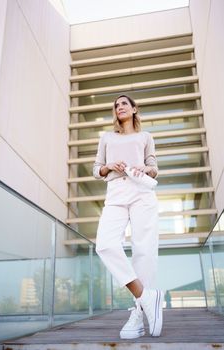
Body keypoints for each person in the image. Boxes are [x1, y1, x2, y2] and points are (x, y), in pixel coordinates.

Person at [93, 94, 164, 339]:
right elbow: (96, 169)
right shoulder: (107, 137)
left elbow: (154, 166)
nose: (119, 107)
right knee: (105, 244)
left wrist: (146, 168)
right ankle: (146, 297)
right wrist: (109, 166)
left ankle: (138, 314)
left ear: (134, 108)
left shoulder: (145, 137)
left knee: (143, 250)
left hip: (141, 189)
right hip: (116, 191)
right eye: (116, 105)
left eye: (124, 103)